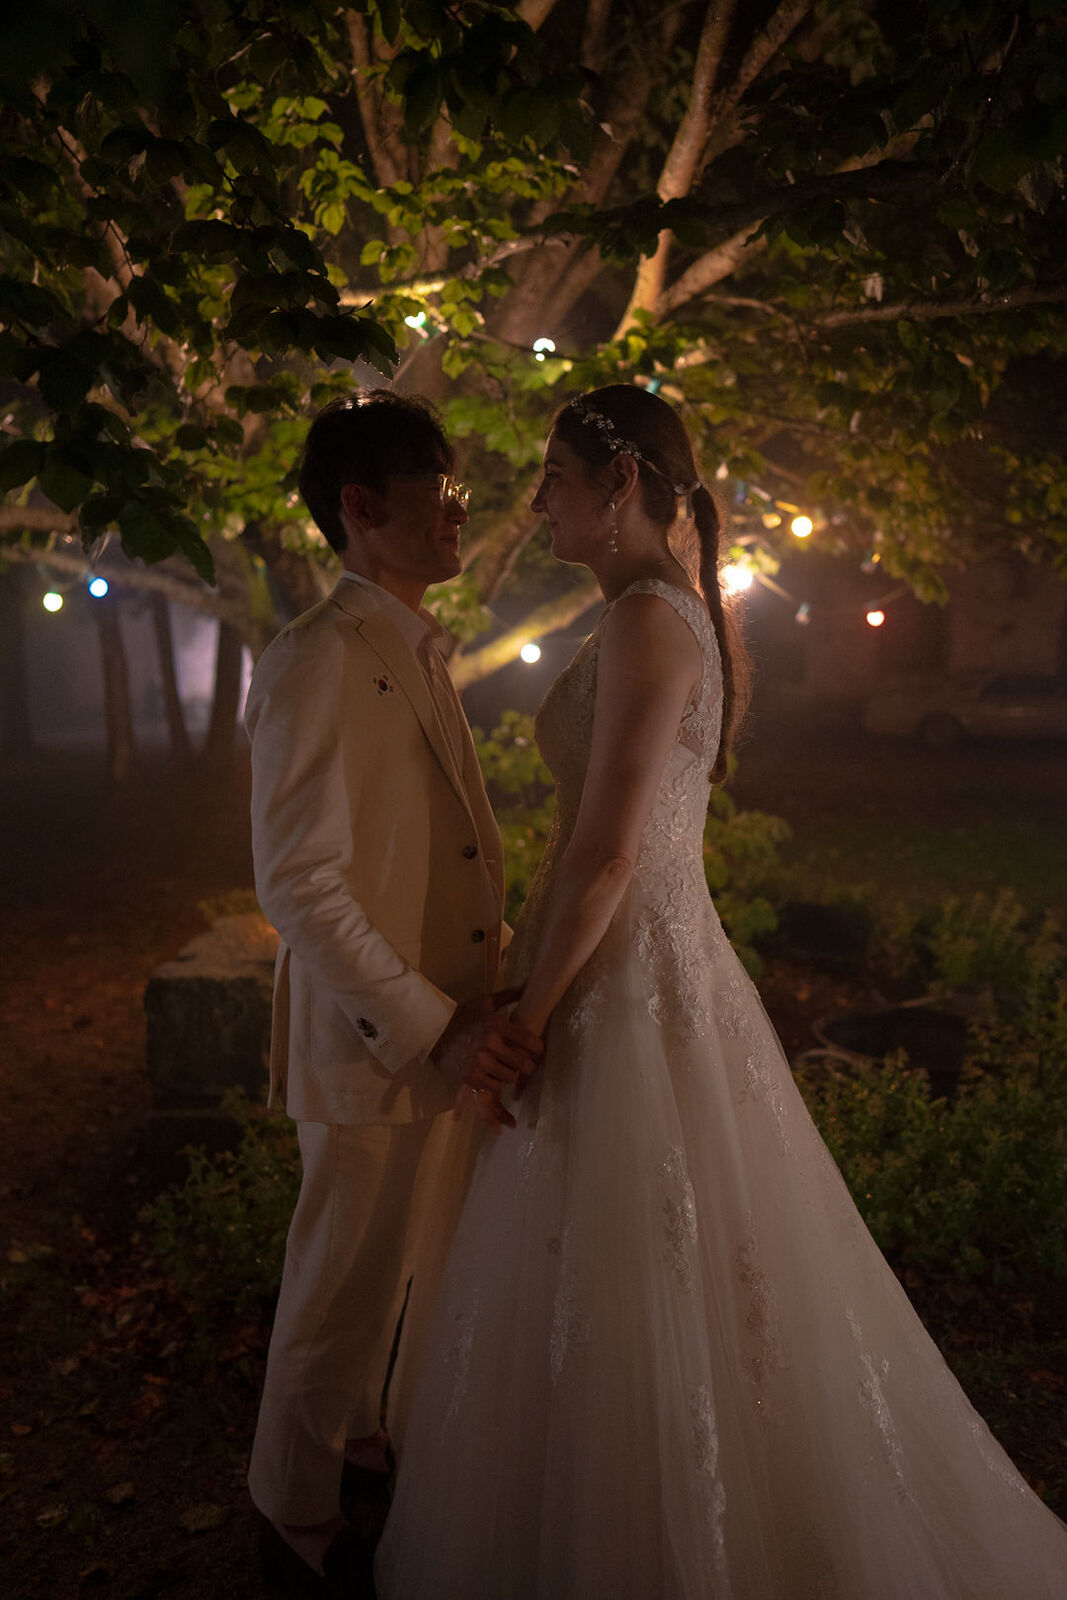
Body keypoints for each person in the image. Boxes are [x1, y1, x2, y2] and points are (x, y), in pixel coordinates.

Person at [375, 384, 1067, 1598]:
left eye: (553, 478)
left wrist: (525, 1019)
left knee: (647, 1254)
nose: (534, 502)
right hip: (615, 957)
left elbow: (607, 855)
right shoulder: (647, 614)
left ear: (619, 486)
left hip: (625, 972)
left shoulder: (651, 622)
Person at [244, 391, 541, 1590]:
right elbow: (299, 881)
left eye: (458, 486)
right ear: (360, 507)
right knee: (338, 1281)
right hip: (372, 1033)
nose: (459, 509)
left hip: (444, 1025)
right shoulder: (317, 656)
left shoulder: (411, 644)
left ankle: (360, 1435)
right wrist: (431, 1024)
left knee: (400, 1267)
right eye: (437, 488)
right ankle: (290, 1504)